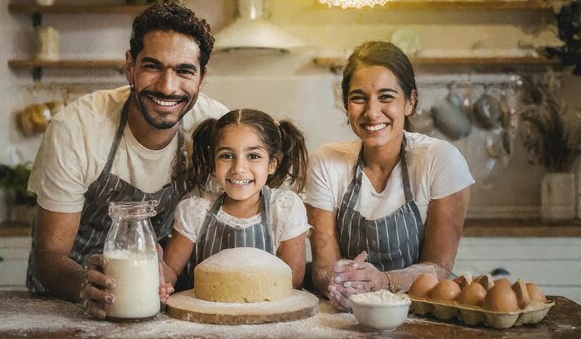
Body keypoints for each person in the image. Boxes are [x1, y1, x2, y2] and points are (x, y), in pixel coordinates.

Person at [25, 3, 228, 318]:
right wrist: (85, 285)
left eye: (184, 70)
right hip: (69, 300)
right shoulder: (77, 127)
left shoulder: (215, 130)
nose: (167, 86)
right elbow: (50, 255)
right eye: (153, 66)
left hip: (162, 296)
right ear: (130, 66)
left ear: (202, 78)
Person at [305, 41, 475, 311]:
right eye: (359, 97)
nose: (372, 112)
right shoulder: (325, 162)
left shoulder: (440, 160)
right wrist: (339, 286)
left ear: (410, 102)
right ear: (346, 104)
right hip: (346, 311)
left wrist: (382, 281)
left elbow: (439, 266)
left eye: (386, 97)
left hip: (420, 310)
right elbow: (325, 269)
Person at [161, 109, 310, 292]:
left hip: (267, 312)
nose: (238, 168)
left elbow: (292, 283)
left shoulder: (284, 208)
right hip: (205, 316)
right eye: (226, 156)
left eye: (253, 156)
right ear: (213, 163)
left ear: (272, 164)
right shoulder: (195, 210)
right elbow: (170, 273)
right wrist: (156, 271)